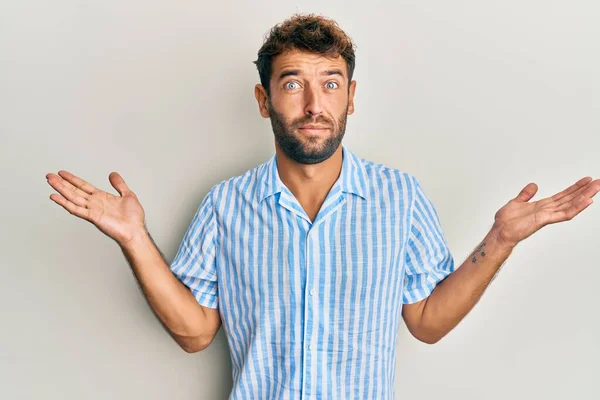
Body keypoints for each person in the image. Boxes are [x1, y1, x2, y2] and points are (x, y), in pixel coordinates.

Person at [45, 13, 598, 400]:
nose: (314, 105)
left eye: (331, 84)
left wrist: (499, 241)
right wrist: (135, 241)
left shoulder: (399, 198)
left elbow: (427, 322)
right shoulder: (225, 204)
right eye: (292, 84)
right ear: (263, 100)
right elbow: (195, 332)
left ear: (351, 97)